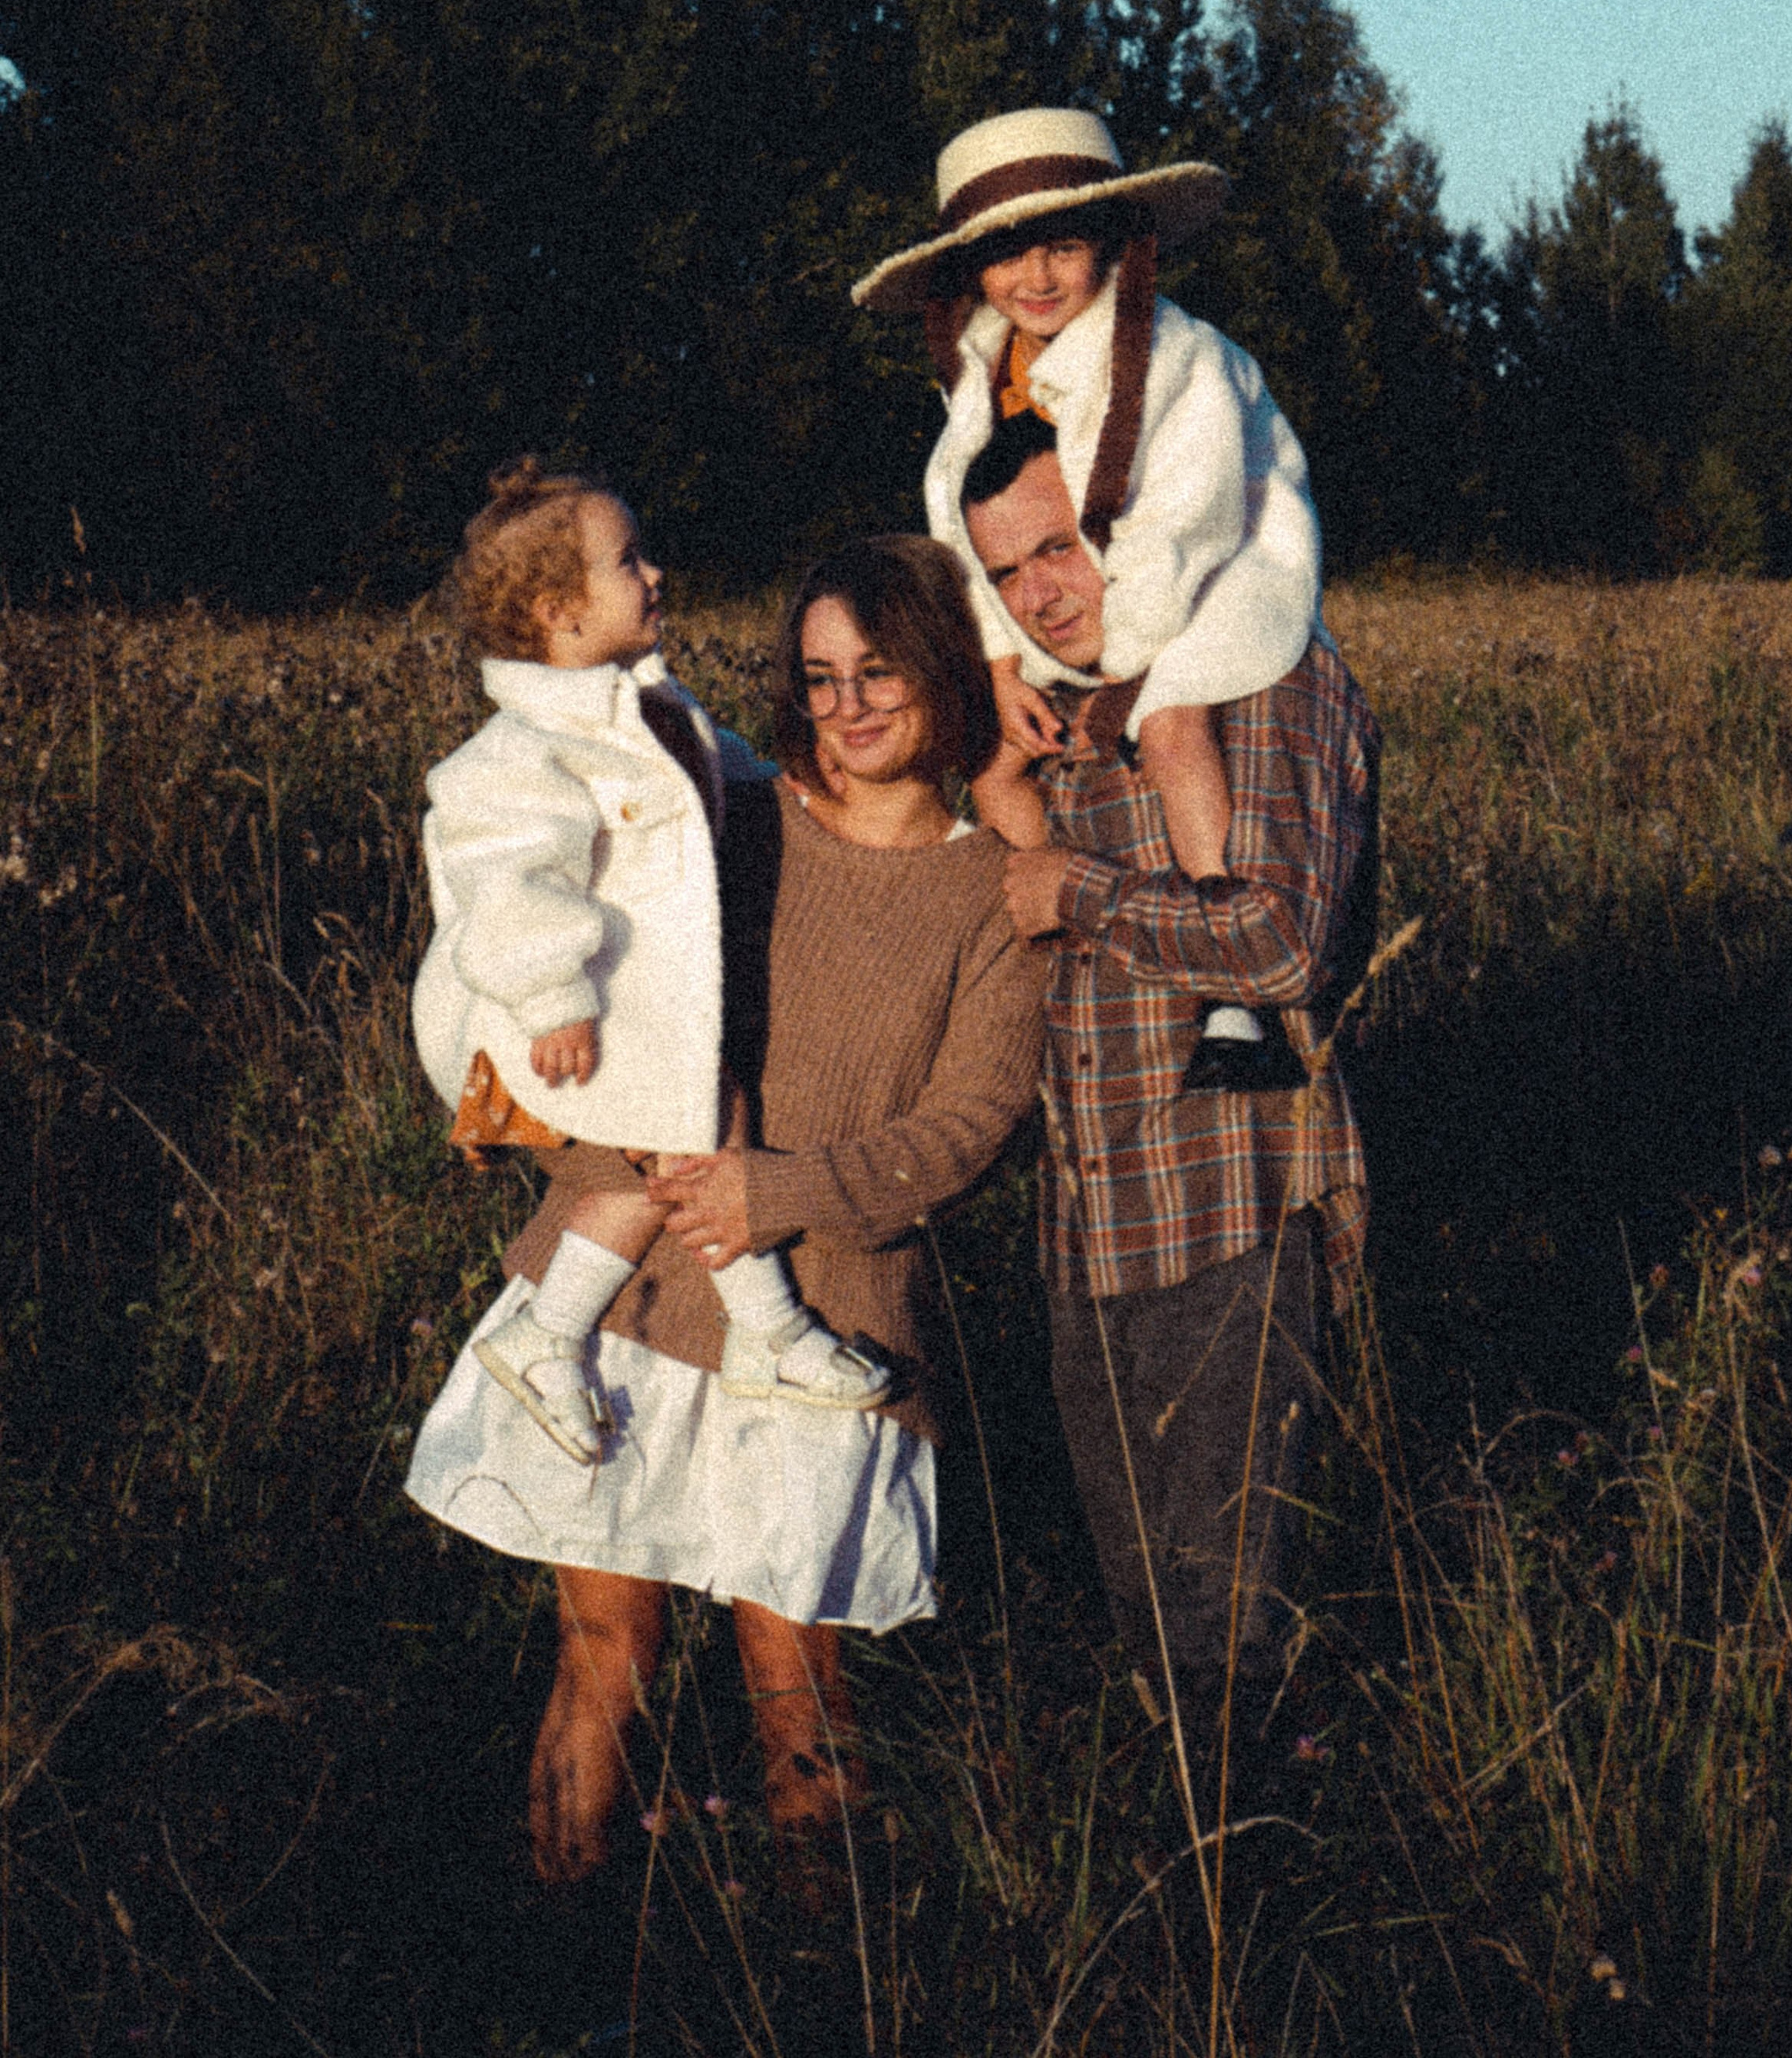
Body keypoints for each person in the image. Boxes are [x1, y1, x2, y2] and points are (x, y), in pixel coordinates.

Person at [404, 533, 1047, 1882]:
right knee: (607, 1653)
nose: (848, 705)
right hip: (630, 1297)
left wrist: (779, 1193)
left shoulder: (997, 888)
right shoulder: (729, 821)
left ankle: (819, 1967)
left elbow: (972, 1127)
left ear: (944, 671)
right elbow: (553, 934)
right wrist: (507, 1082)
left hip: (830, 1321)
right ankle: (559, 1941)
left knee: (796, 1677)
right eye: (820, 677)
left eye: (880, 671)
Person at [961, 416, 1380, 1794]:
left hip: (1227, 1220)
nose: (1040, 594)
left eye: (1060, 547)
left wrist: (1073, 891)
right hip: (1090, 1234)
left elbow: (1284, 942)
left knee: (1235, 1638)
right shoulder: (1058, 703)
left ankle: (1253, 1889)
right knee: (1150, 1628)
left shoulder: (1258, 669)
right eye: (1006, 572)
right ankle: (1190, 1876)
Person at [411, 457, 887, 1462]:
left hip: (629, 1013)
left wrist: (786, 788)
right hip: (548, 1021)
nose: (656, 574)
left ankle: (651, 1335)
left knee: (696, 1133)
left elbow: (712, 778)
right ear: (559, 613)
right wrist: (551, 996)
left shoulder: (645, 706)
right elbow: (506, 881)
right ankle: (716, 1330)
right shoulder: (523, 751)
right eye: (628, 562)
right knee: (684, 1141)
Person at [853, 105, 1320, 1060]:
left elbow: (1186, 516)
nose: (1035, 278)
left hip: (1218, 571)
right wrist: (998, 664)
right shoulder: (985, 370)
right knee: (994, 763)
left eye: (1062, 248)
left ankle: (1230, 988)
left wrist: (1125, 670)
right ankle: (1061, 937)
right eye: (1006, 256)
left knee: (1173, 726)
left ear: (1112, 245)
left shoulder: (1181, 357)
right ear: (969, 270)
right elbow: (960, 520)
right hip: (1083, 589)